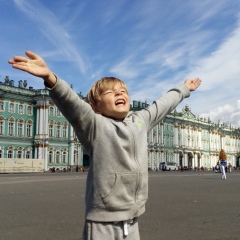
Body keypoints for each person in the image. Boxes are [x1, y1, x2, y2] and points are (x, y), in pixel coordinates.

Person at [8, 51, 202, 240]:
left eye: (123, 91)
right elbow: (72, 103)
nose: (119, 93)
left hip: (133, 217)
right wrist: (51, 78)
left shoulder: (141, 121)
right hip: (103, 221)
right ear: (95, 107)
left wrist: (183, 89)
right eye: (110, 92)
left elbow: (162, 104)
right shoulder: (95, 125)